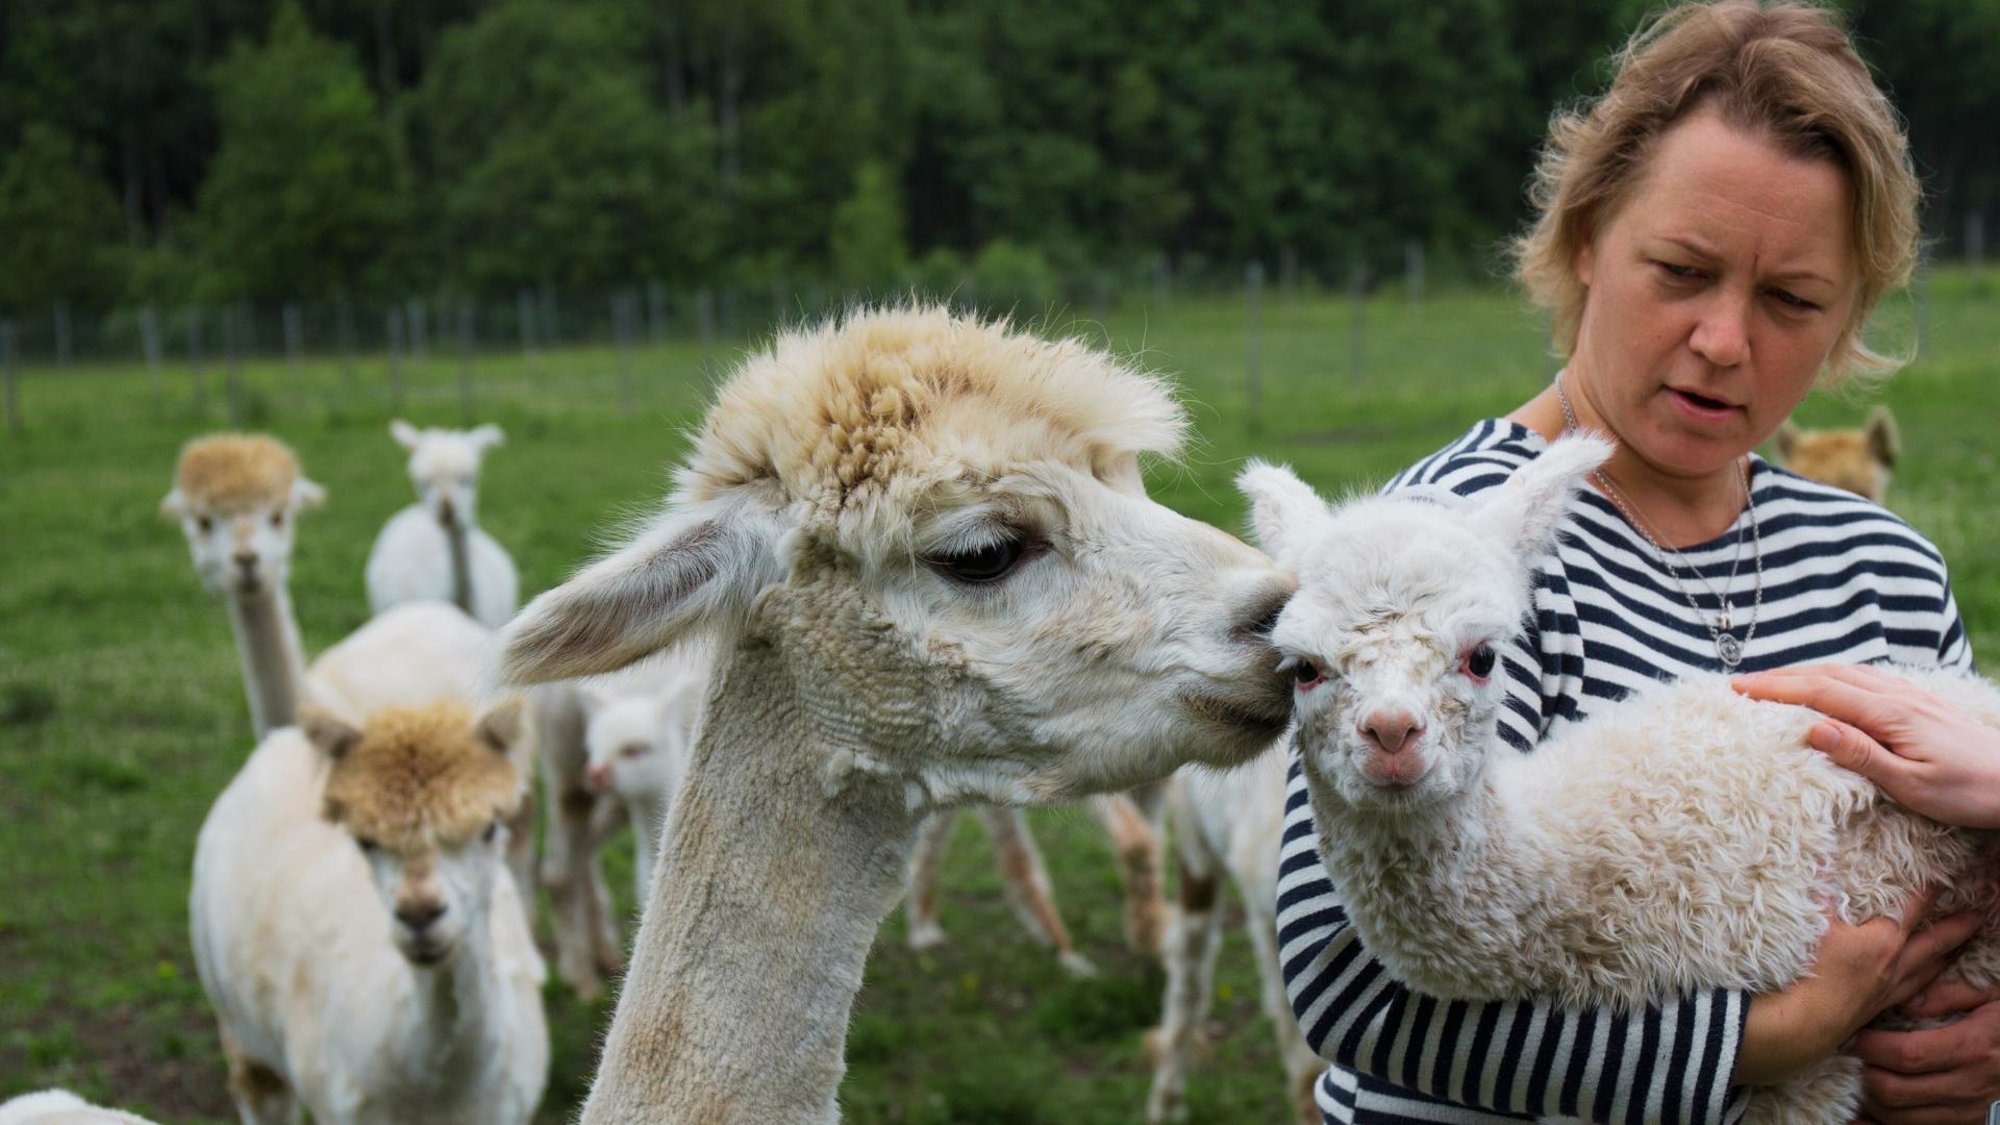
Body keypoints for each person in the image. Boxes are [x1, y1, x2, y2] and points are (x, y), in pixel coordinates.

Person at [1274, 2, 1998, 1122]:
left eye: (1790, 298)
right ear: (1583, 236)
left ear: (1849, 309)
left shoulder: (1880, 567)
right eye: (1679, 270)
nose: (1722, 341)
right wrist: (1765, 1044)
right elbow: (1344, 983)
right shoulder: (1442, 556)